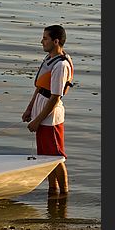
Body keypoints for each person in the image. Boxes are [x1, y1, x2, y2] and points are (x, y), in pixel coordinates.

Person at [22, 25, 73, 195]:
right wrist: (30, 109)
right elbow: (40, 87)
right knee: (45, 158)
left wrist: (37, 121)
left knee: (56, 158)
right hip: (39, 110)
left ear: (56, 41)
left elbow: (55, 97)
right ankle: (53, 193)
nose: (41, 41)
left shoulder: (60, 65)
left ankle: (64, 196)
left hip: (51, 118)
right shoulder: (49, 58)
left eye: (45, 38)